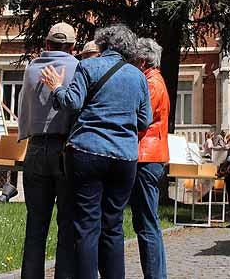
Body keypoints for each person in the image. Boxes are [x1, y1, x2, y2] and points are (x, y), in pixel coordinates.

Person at [41, 24, 152, 279]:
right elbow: (144, 121)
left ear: (102, 44)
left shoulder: (88, 66)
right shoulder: (138, 76)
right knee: (113, 226)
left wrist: (57, 87)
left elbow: (72, 103)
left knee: (87, 225)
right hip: (124, 156)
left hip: (87, 151)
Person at [17, 22, 79, 279]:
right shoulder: (77, 67)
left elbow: (22, 107)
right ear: (73, 46)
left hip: (35, 147)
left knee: (36, 224)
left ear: (46, 44)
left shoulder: (31, 69)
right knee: (66, 223)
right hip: (65, 148)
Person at [129, 38, 169, 279]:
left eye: (134, 60)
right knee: (148, 223)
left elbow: (140, 119)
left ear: (142, 61)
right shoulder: (155, 81)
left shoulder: (151, 83)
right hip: (150, 155)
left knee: (146, 224)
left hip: (146, 156)